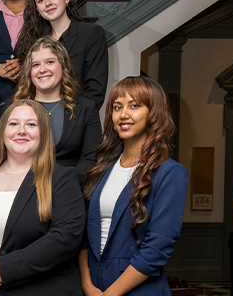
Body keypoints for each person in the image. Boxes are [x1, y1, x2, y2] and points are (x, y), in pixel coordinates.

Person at [0, 99, 85, 295]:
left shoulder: (61, 178)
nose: (21, 131)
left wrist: (3, 269)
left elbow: (65, 237)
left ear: (43, 133)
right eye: (13, 124)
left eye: (31, 124)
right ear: (3, 131)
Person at [79, 76, 188, 295]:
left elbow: (157, 248)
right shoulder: (101, 168)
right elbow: (84, 236)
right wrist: (87, 285)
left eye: (134, 106)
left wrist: (111, 294)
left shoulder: (170, 173)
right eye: (117, 107)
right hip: (93, 287)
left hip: (139, 290)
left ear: (153, 113)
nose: (123, 114)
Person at [14, 37, 101, 184]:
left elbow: (91, 160)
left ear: (63, 65)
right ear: (29, 71)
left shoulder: (86, 108)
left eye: (50, 62)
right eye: (35, 64)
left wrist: (58, 184)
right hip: (23, 188)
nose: (42, 70)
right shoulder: (15, 108)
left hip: (71, 189)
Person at [19, 0, 108, 109]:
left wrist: (75, 122)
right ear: (37, 9)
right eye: (40, 0)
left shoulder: (91, 34)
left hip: (77, 119)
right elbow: (28, 88)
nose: (47, 3)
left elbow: (95, 91)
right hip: (40, 118)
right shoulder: (33, 41)